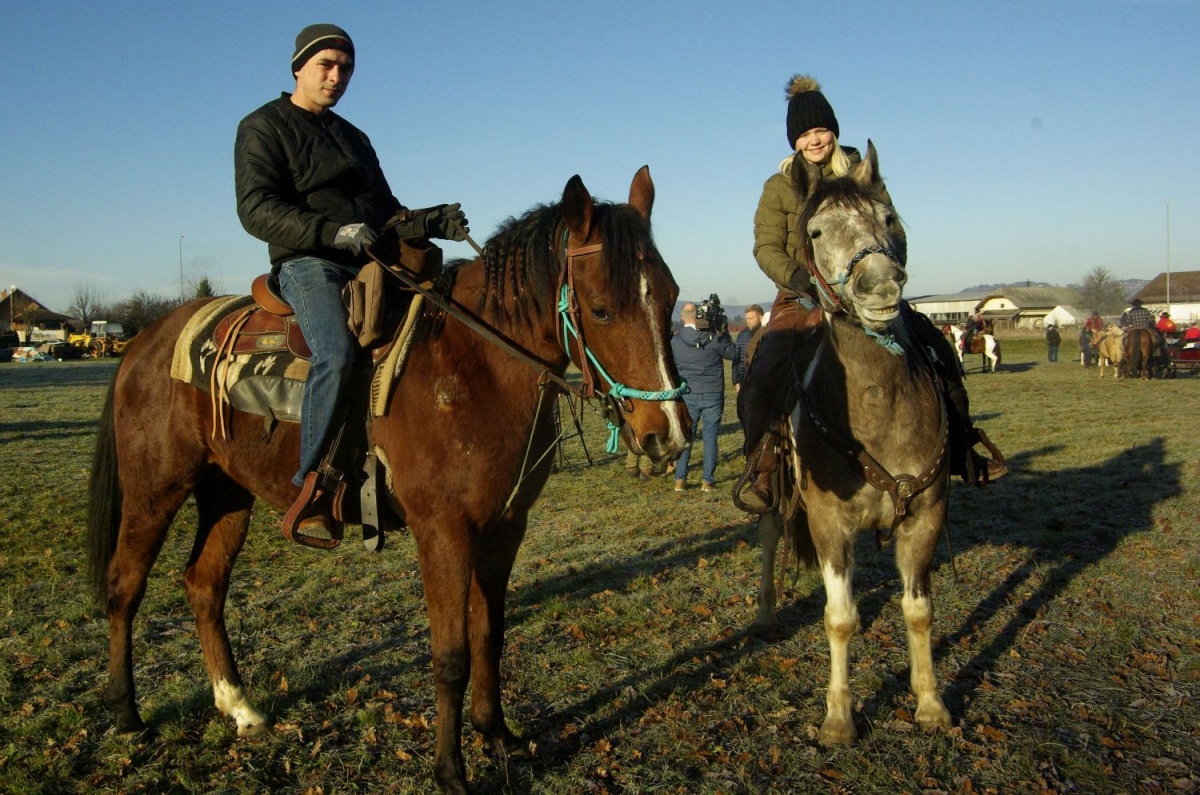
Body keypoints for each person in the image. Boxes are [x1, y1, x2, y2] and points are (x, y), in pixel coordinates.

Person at [235, 23, 469, 542]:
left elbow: (387, 212)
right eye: (326, 66)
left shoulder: (355, 137)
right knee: (338, 353)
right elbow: (255, 209)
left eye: (346, 68)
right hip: (307, 262)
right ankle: (313, 486)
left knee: (441, 327)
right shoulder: (263, 126)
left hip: (369, 261)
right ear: (299, 67)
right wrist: (331, 232)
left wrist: (429, 221)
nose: (337, 77)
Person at [737, 74, 1005, 513]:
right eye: (804, 134)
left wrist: (884, 271)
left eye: (820, 130)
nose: (814, 140)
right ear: (794, 141)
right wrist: (797, 277)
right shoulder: (779, 187)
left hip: (863, 290)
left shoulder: (863, 173)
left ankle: (960, 445)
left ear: (833, 130)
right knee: (767, 360)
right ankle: (764, 468)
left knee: (936, 350)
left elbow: (892, 227)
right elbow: (765, 247)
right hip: (803, 294)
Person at [671, 302, 737, 492]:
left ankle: (680, 479)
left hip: (689, 392)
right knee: (710, 437)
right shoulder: (714, 337)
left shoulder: (676, 341)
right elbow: (732, 354)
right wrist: (722, 332)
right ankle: (707, 481)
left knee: (686, 437)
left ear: (683, 318)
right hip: (713, 392)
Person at [731, 304, 764, 393]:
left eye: (751, 318)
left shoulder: (768, 334)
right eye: (747, 319)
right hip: (744, 381)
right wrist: (736, 382)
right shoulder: (742, 336)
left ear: (761, 317)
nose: (748, 321)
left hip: (763, 382)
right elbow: (736, 360)